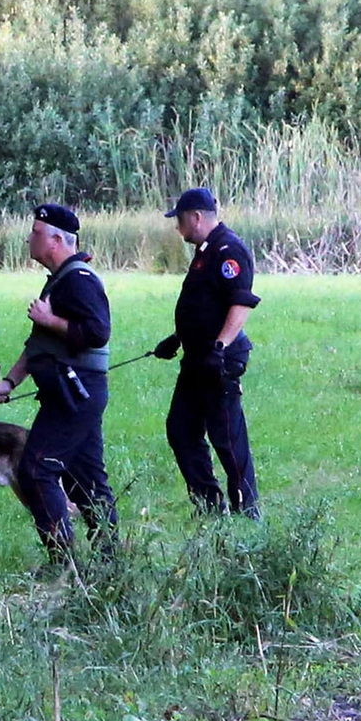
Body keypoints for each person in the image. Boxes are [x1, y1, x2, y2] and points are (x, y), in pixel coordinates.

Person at [0, 204, 117, 572]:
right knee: (86, 477)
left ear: (58, 240)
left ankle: (62, 562)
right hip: (69, 393)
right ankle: (110, 559)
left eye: (37, 232)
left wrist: (51, 318)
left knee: (36, 469)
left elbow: (97, 332)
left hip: (75, 394)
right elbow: (39, 345)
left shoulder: (80, 280)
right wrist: (10, 381)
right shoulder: (60, 278)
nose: (30, 238)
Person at [150, 187, 260, 517]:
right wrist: (177, 337)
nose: (177, 227)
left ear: (197, 217)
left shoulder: (229, 250)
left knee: (226, 438)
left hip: (218, 361)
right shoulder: (205, 251)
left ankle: (247, 512)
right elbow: (204, 305)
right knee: (181, 430)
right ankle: (209, 505)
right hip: (196, 359)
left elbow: (241, 303)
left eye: (180, 220)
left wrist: (220, 347)